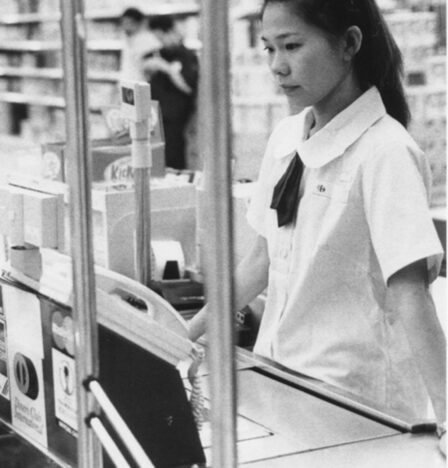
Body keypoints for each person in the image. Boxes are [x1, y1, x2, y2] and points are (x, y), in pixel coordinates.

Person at [187, 0, 446, 432]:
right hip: (282, 379)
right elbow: (259, 262)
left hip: (358, 402)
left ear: (349, 44)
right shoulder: (286, 137)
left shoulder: (385, 152)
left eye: (291, 46)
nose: (277, 66)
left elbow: (410, 292)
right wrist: (182, 337)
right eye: (269, 48)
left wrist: (447, 412)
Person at [144, 15, 198, 169]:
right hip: (156, 117)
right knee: (157, 160)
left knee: (173, 158)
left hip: (175, 121)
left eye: (161, 37)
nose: (161, 42)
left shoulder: (187, 56)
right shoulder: (158, 53)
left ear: (170, 32)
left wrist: (167, 69)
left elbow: (188, 87)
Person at [118, 7, 161, 83]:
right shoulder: (128, 39)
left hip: (142, 85)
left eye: (128, 23)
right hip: (128, 84)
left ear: (138, 23)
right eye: (123, 23)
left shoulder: (149, 40)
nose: (125, 27)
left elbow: (153, 67)